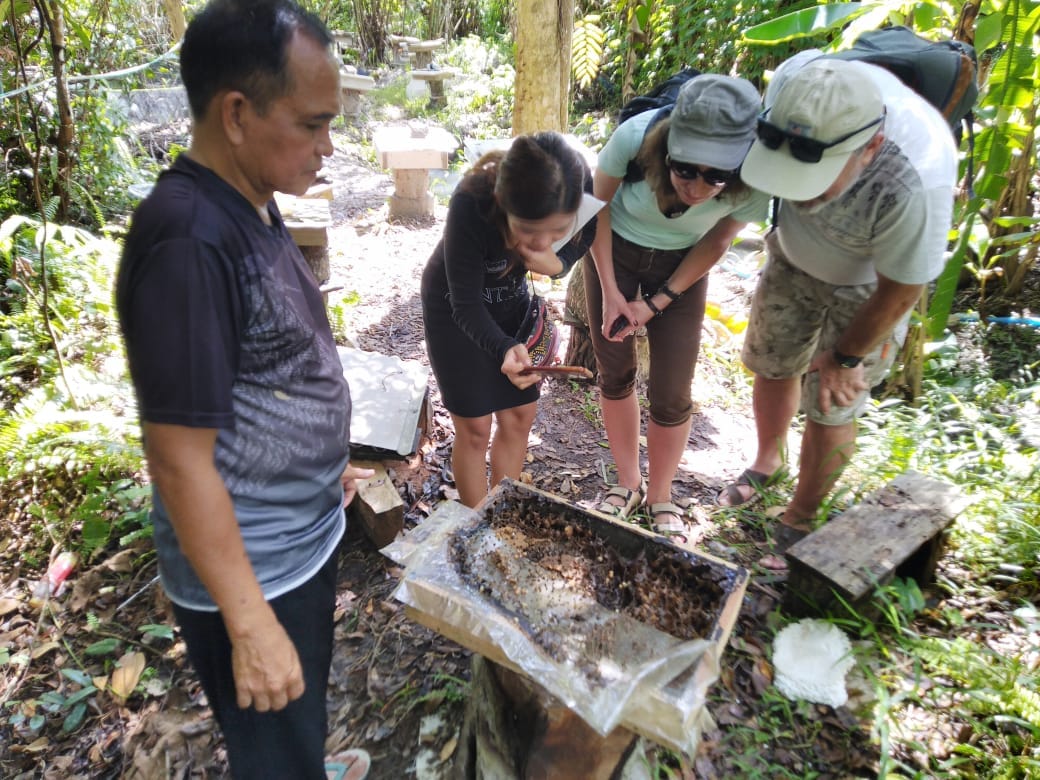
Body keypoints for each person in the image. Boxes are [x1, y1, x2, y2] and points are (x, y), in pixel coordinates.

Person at [115, 2, 371, 778]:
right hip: (257, 568)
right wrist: (250, 623)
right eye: (312, 124)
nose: (328, 147)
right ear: (235, 113)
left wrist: (321, 461)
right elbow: (178, 459)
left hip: (295, 538)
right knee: (272, 750)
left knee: (296, 720)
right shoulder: (188, 242)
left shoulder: (247, 200)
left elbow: (267, 365)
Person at [723, 57, 956, 556]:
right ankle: (768, 462)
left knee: (831, 403)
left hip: (867, 287)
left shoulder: (918, 178)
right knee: (773, 361)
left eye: (813, 177)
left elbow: (902, 290)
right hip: (792, 256)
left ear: (869, 148)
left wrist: (847, 357)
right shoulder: (797, 85)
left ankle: (801, 516)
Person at [585, 74, 769, 539]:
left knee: (673, 390)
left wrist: (659, 301)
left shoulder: (761, 174)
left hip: (685, 264)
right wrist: (610, 290)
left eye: (716, 176)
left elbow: (720, 239)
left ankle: (660, 493)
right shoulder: (635, 137)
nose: (697, 188)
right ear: (667, 149)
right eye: (685, 169)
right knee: (614, 371)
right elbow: (595, 208)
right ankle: (628, 483)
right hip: (613, 249)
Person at [421, 133, 599, 507]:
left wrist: (561, 263)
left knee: (519, 416)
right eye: (528, 230)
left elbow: (590, 229)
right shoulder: (473, 199)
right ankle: (477, 525)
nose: (542, 244)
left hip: (511, 301)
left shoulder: (577, 184)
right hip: (454, 306)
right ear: (504, 204)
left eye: (557, 230)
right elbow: (465, 304)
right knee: (475, 428)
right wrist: (503, 346)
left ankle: (502, 517)